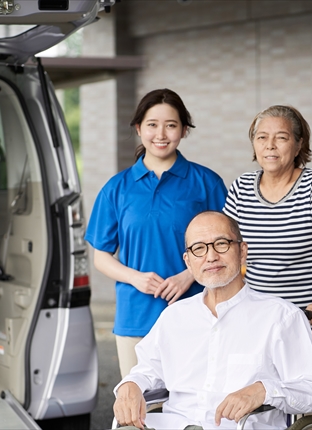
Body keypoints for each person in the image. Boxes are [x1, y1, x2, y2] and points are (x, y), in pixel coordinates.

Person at [113, 211, 312, 430]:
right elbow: (147, 370)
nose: (211, 256)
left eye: (221, 244)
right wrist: (131, 384)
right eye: (199, 248)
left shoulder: (281, 317)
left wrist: (264, 390)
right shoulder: (173, 317)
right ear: (188, 261)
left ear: (242, 251)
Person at [85, 89, 227, 378]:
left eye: (171, 125)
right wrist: (135, 277)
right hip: (135, 318)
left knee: (193, 410)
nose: (161, 134)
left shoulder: (206, 183)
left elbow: (228, 248)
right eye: (152, 124)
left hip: (196, 314)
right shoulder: (117, 188)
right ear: (139, 128)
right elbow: (101, 257)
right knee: (140, 412)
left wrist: (190, 275)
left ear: (184, 130)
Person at [223, 105, 312, 423]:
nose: (270, 145)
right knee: (260, 412)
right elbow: (228, 251)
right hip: (259, 323)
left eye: (281, 137)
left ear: (299, 144)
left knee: (311, 416)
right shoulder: (241, 189)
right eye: (261, 137)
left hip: (309, 320)